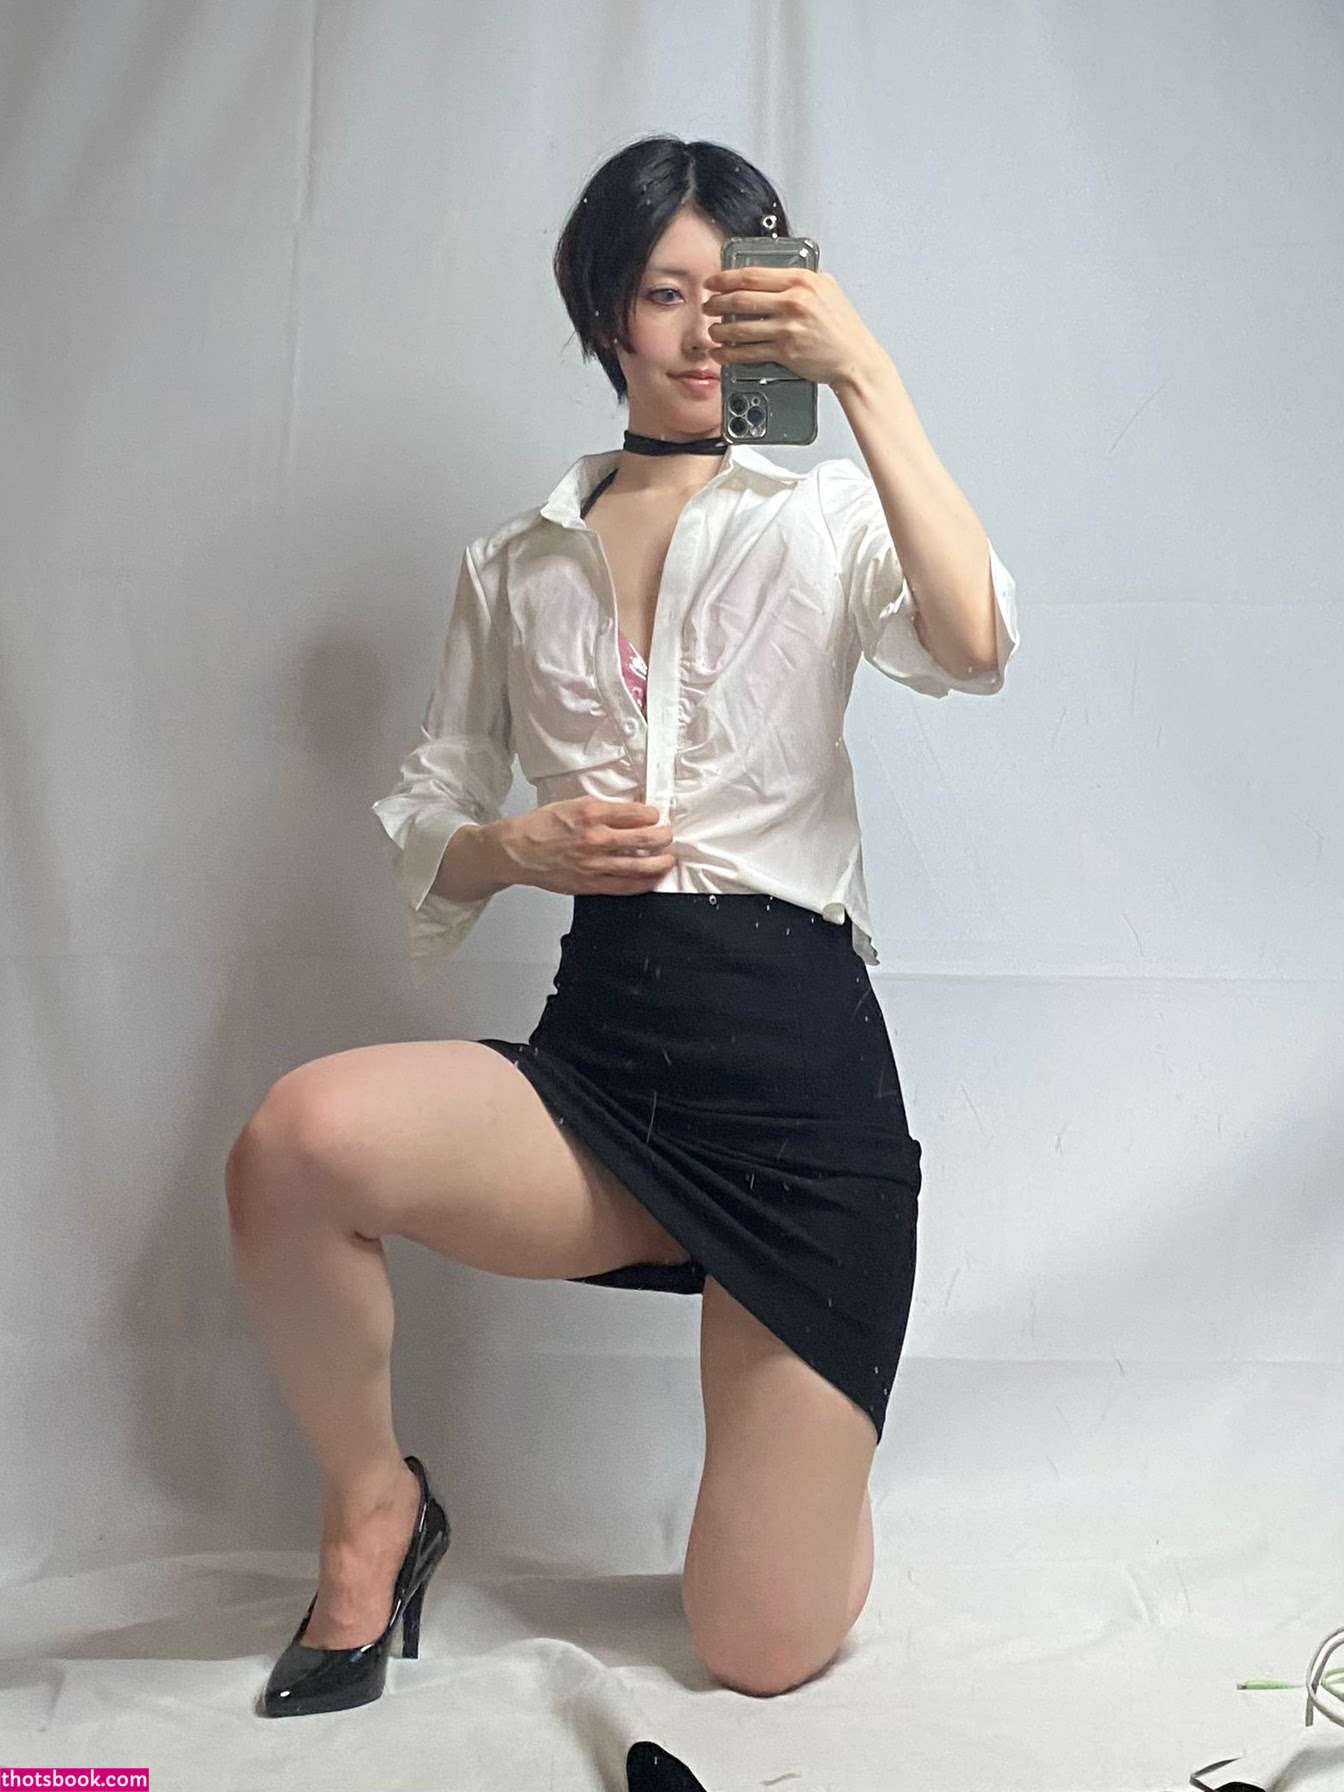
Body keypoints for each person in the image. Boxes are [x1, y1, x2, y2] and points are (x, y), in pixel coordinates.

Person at [225, 133, 1020, 1745]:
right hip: (602, 1075)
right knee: (295, 1146)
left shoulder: (823, 515)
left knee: (758, 1650)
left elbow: (976, 638)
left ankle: (810, 1463)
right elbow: (435, 803)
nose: (704, 329)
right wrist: (512, 848)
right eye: (666, 293)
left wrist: (865, 373)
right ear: (605, 314)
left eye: (739, 295)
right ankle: (375, 1514)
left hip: (800, 1105)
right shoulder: (513, 562)